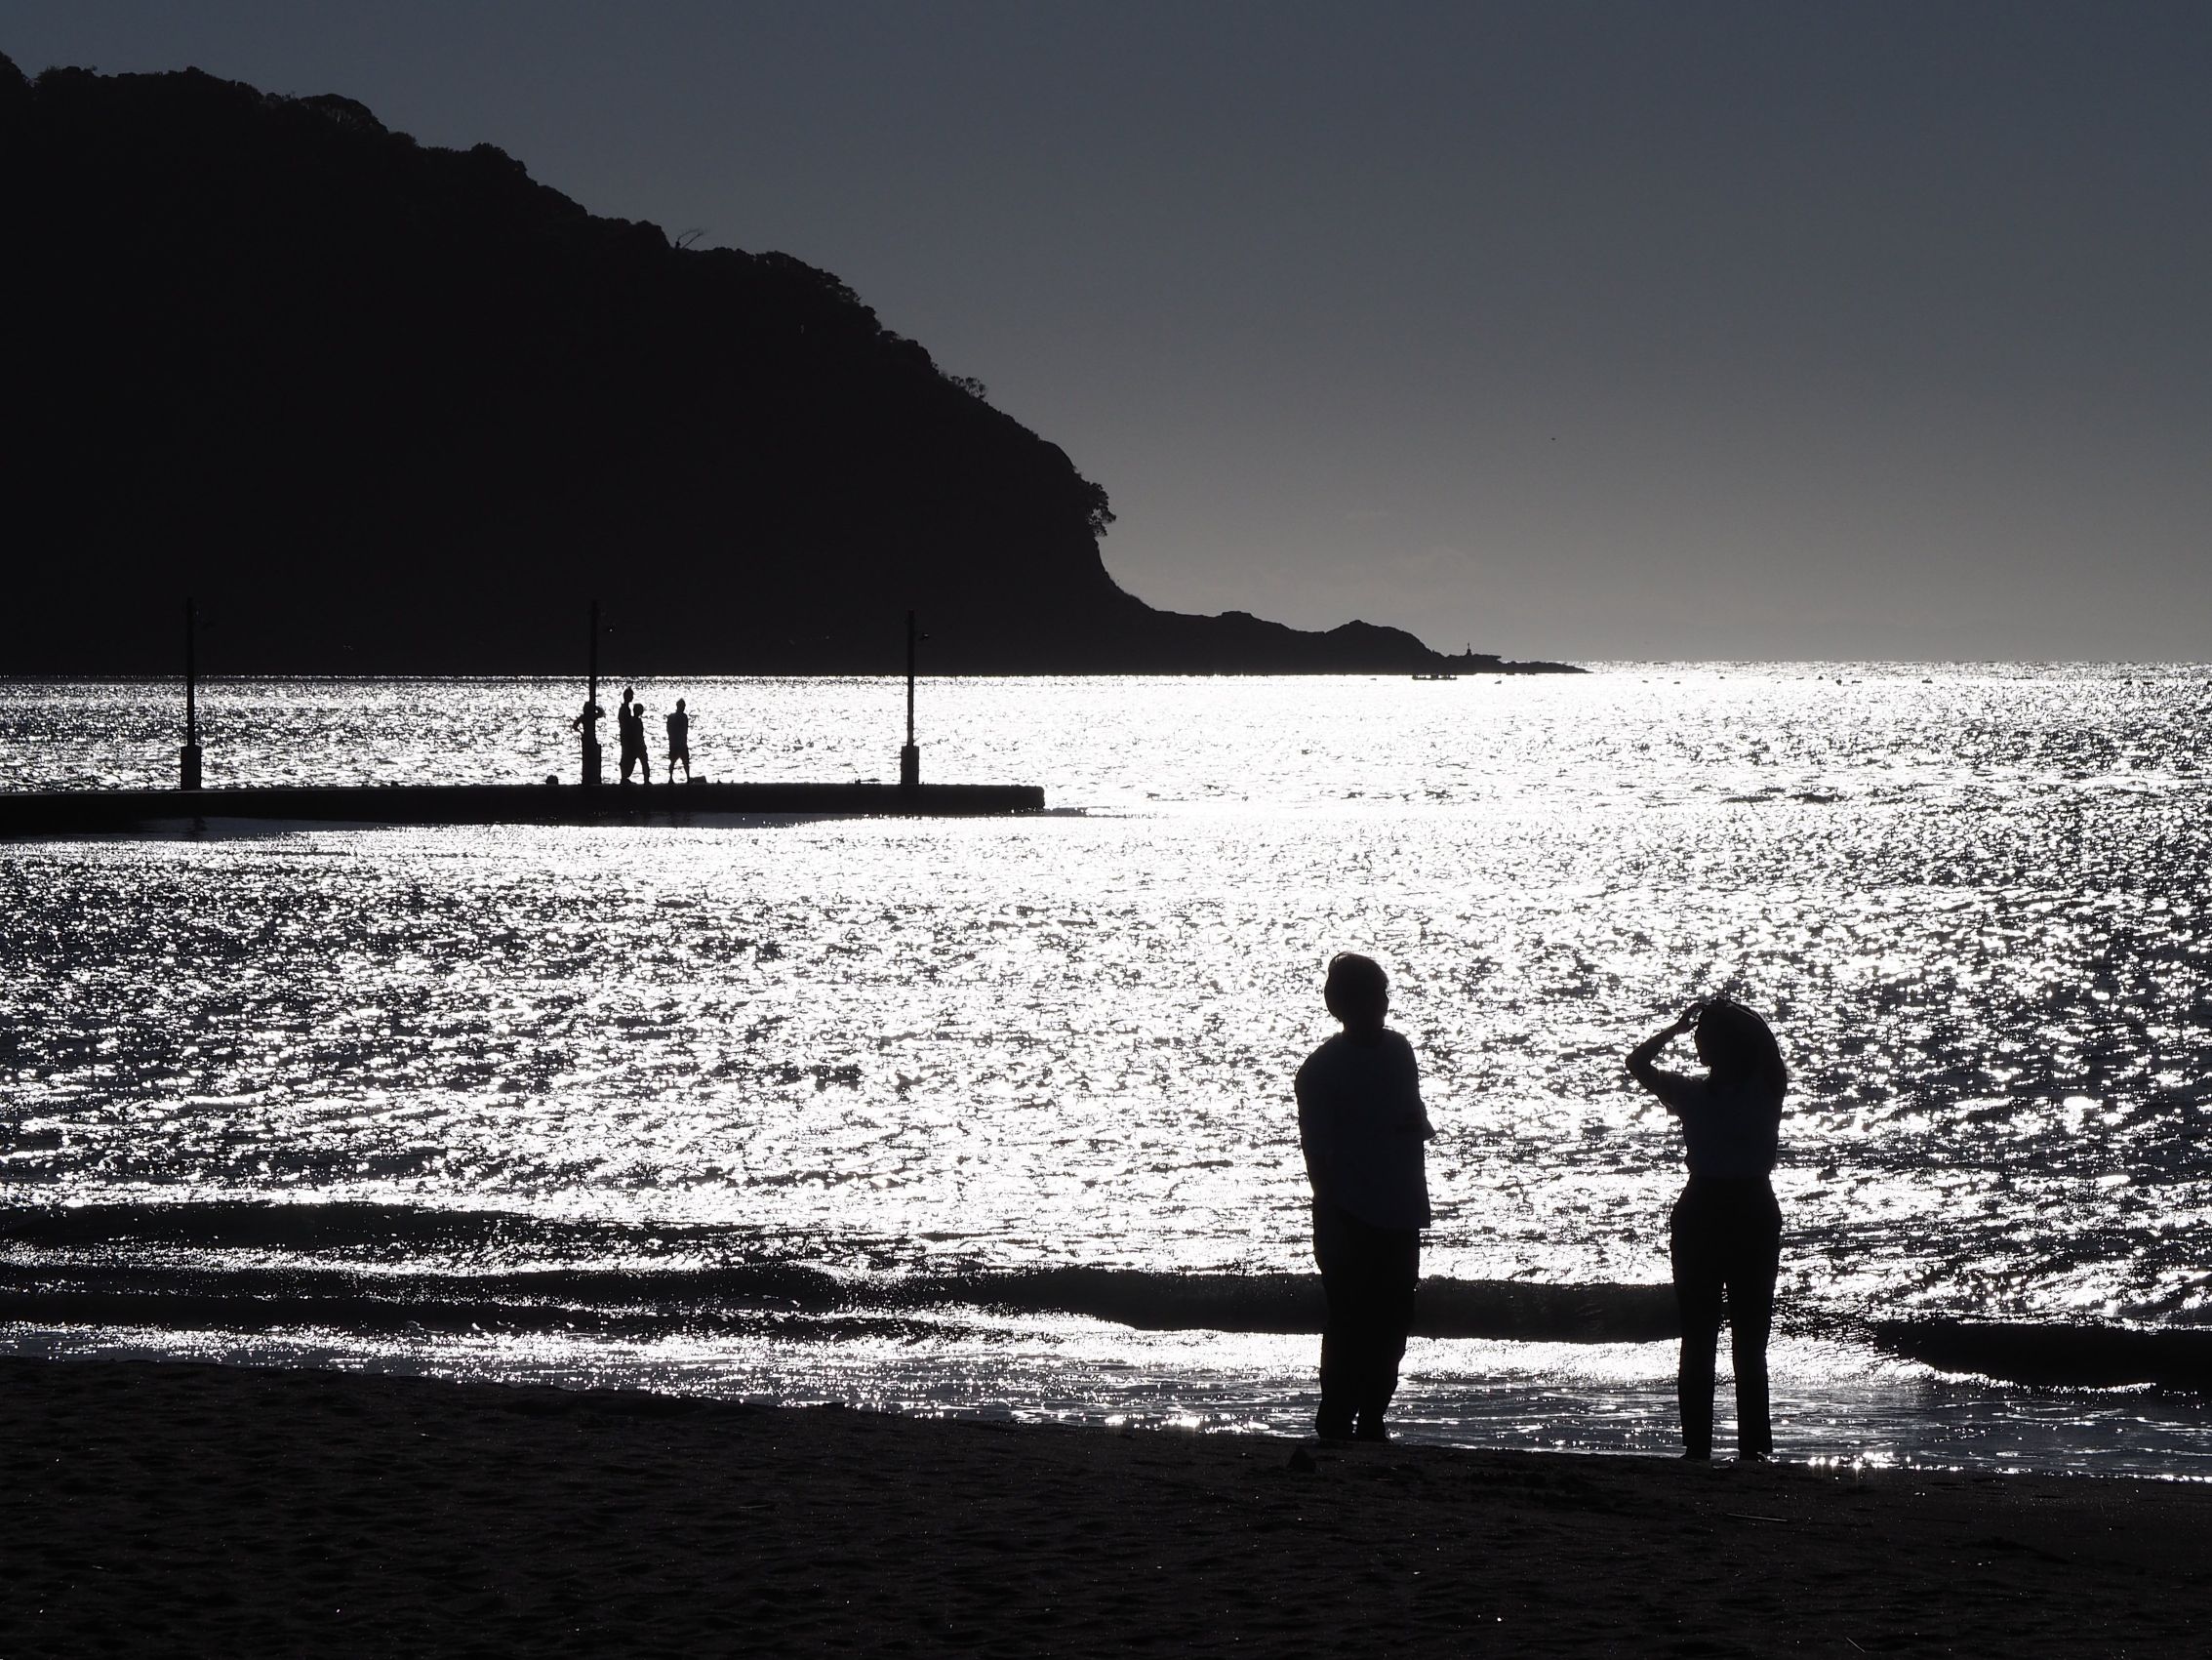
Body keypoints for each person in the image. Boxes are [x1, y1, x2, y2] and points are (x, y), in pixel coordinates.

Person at [1627, 996, 1788, 1463]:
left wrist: (1711, 1012)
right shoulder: (1705, 1092)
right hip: (1726, 1208)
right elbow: (1636, 1062)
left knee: (1737, 1338)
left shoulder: (1755, 1088)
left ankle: (1733, 1448)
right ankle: (1714, 1448)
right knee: (1711, 1336)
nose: (1697, 1039)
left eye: (1705, 1033)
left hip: (1732, 1209)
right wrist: (1692, 1020)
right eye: (1699, 1033)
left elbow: (1766, 1045)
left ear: (1724, 1045)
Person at [1295, 952, 1434, 1442]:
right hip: (1347, 1213)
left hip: (1399, 1208)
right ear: (1345, 1004)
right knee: (1352, 1321)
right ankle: (1336, 1416)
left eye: (1384, 995)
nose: (1382, 1005)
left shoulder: (1399, 1051)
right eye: (1374, 995)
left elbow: (1414, 1120)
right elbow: (1318, 1152)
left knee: (1394, 1320)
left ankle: (1372, 1416)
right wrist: (1334, 1209)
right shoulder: (1320, 1071)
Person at [666, 698, 692, 782]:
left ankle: (671, 778)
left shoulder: (671, 717)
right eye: (683, 706)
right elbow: (685, 730)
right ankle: (687, 778)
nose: (684, 707)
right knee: (684, 762)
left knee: (674, 761)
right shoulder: (684, 717)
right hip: (680, 743)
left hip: (675, 742)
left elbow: (668, 730)